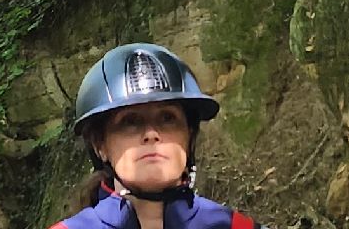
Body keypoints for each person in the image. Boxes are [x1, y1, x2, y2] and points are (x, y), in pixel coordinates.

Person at [50, 43, 258, 229]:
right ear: (99, 145)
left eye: (167, 118)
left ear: (190, 136)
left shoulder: (234, 226)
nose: (151, 134)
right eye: (130, 121)